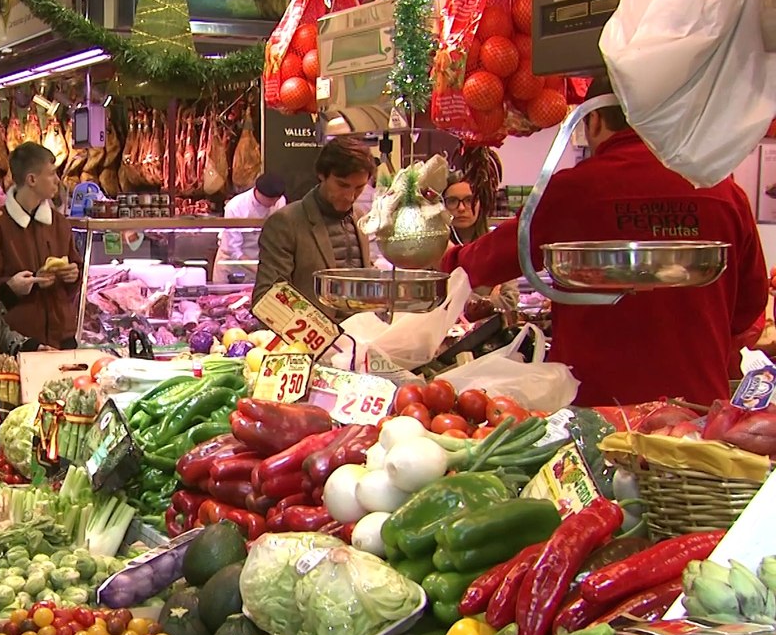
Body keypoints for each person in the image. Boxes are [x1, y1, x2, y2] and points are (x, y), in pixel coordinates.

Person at [440, 77, 768, 406]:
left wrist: (444, 257)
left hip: (597, 409)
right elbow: (748, 308)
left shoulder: (572, 191)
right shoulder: (723, 191)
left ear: (594, 119)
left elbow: (484, 262)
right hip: (695, 407)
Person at [253, 136, 376, 320]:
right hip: (312, 342)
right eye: (342, 185)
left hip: (362, 338)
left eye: (359, 187)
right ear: (322, 175)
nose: (350, 196)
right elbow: (268, 298)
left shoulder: (360, 217)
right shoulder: (285, 222)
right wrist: (319, 337)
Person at [0, 142, 83, 349]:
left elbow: (74, 281)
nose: (57, 180)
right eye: (51, 174)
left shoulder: (59, 223)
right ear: (32, 179)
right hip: (23, 342)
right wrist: (12, 288)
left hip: (63, 338)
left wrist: (73, 275)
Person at [443, 173, 517, 315]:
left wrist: (467, 302)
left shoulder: (495, 243)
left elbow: (510, 300)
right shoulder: (436, 248)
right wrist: (488, 300)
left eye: (469, 200)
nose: (461, 208)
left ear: (480, 204)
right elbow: (438, 301)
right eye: (452, 201)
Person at [214, 173, 286, 282]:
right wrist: (259, 269)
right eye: (270, 200)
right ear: (257, 191)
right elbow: (233, 250)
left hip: (259, 262)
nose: (273, 204)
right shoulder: (235, 207)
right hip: (232, 265)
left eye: (275, 200)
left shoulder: (280, 202)